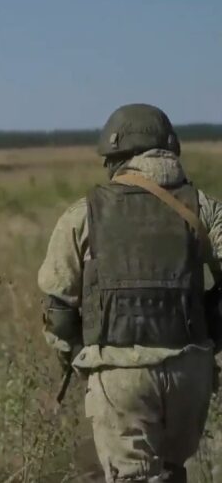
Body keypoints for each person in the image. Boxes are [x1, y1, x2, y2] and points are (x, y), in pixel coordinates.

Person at [38, 103, 222, 482]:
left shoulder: (83, 213)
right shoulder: (203, 207)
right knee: (172, 471)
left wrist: (76, 356)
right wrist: (212, 338)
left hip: (119, 373)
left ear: (115, 157)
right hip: (190, 370)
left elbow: (58, 305)